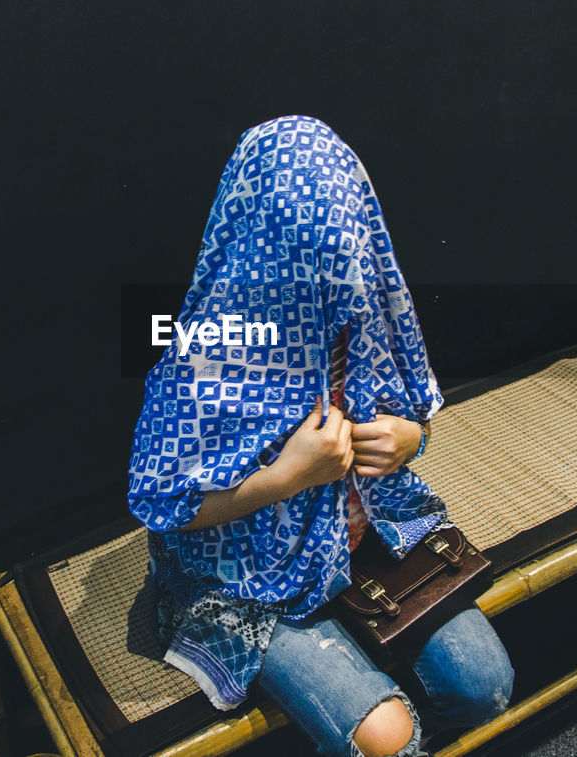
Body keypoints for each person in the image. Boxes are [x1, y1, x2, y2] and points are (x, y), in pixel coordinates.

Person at [127, 115, 514, 757]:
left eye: (343, 256)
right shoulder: (209, 347)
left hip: (366, 539)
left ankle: (372, 669)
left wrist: (411, 439)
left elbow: (415, 410)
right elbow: (163, 503)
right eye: (307, 260)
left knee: (483, 685)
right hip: (248, 578)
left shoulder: (364, 314)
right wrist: (287, 477)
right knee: (386, 738)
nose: (332, 282)